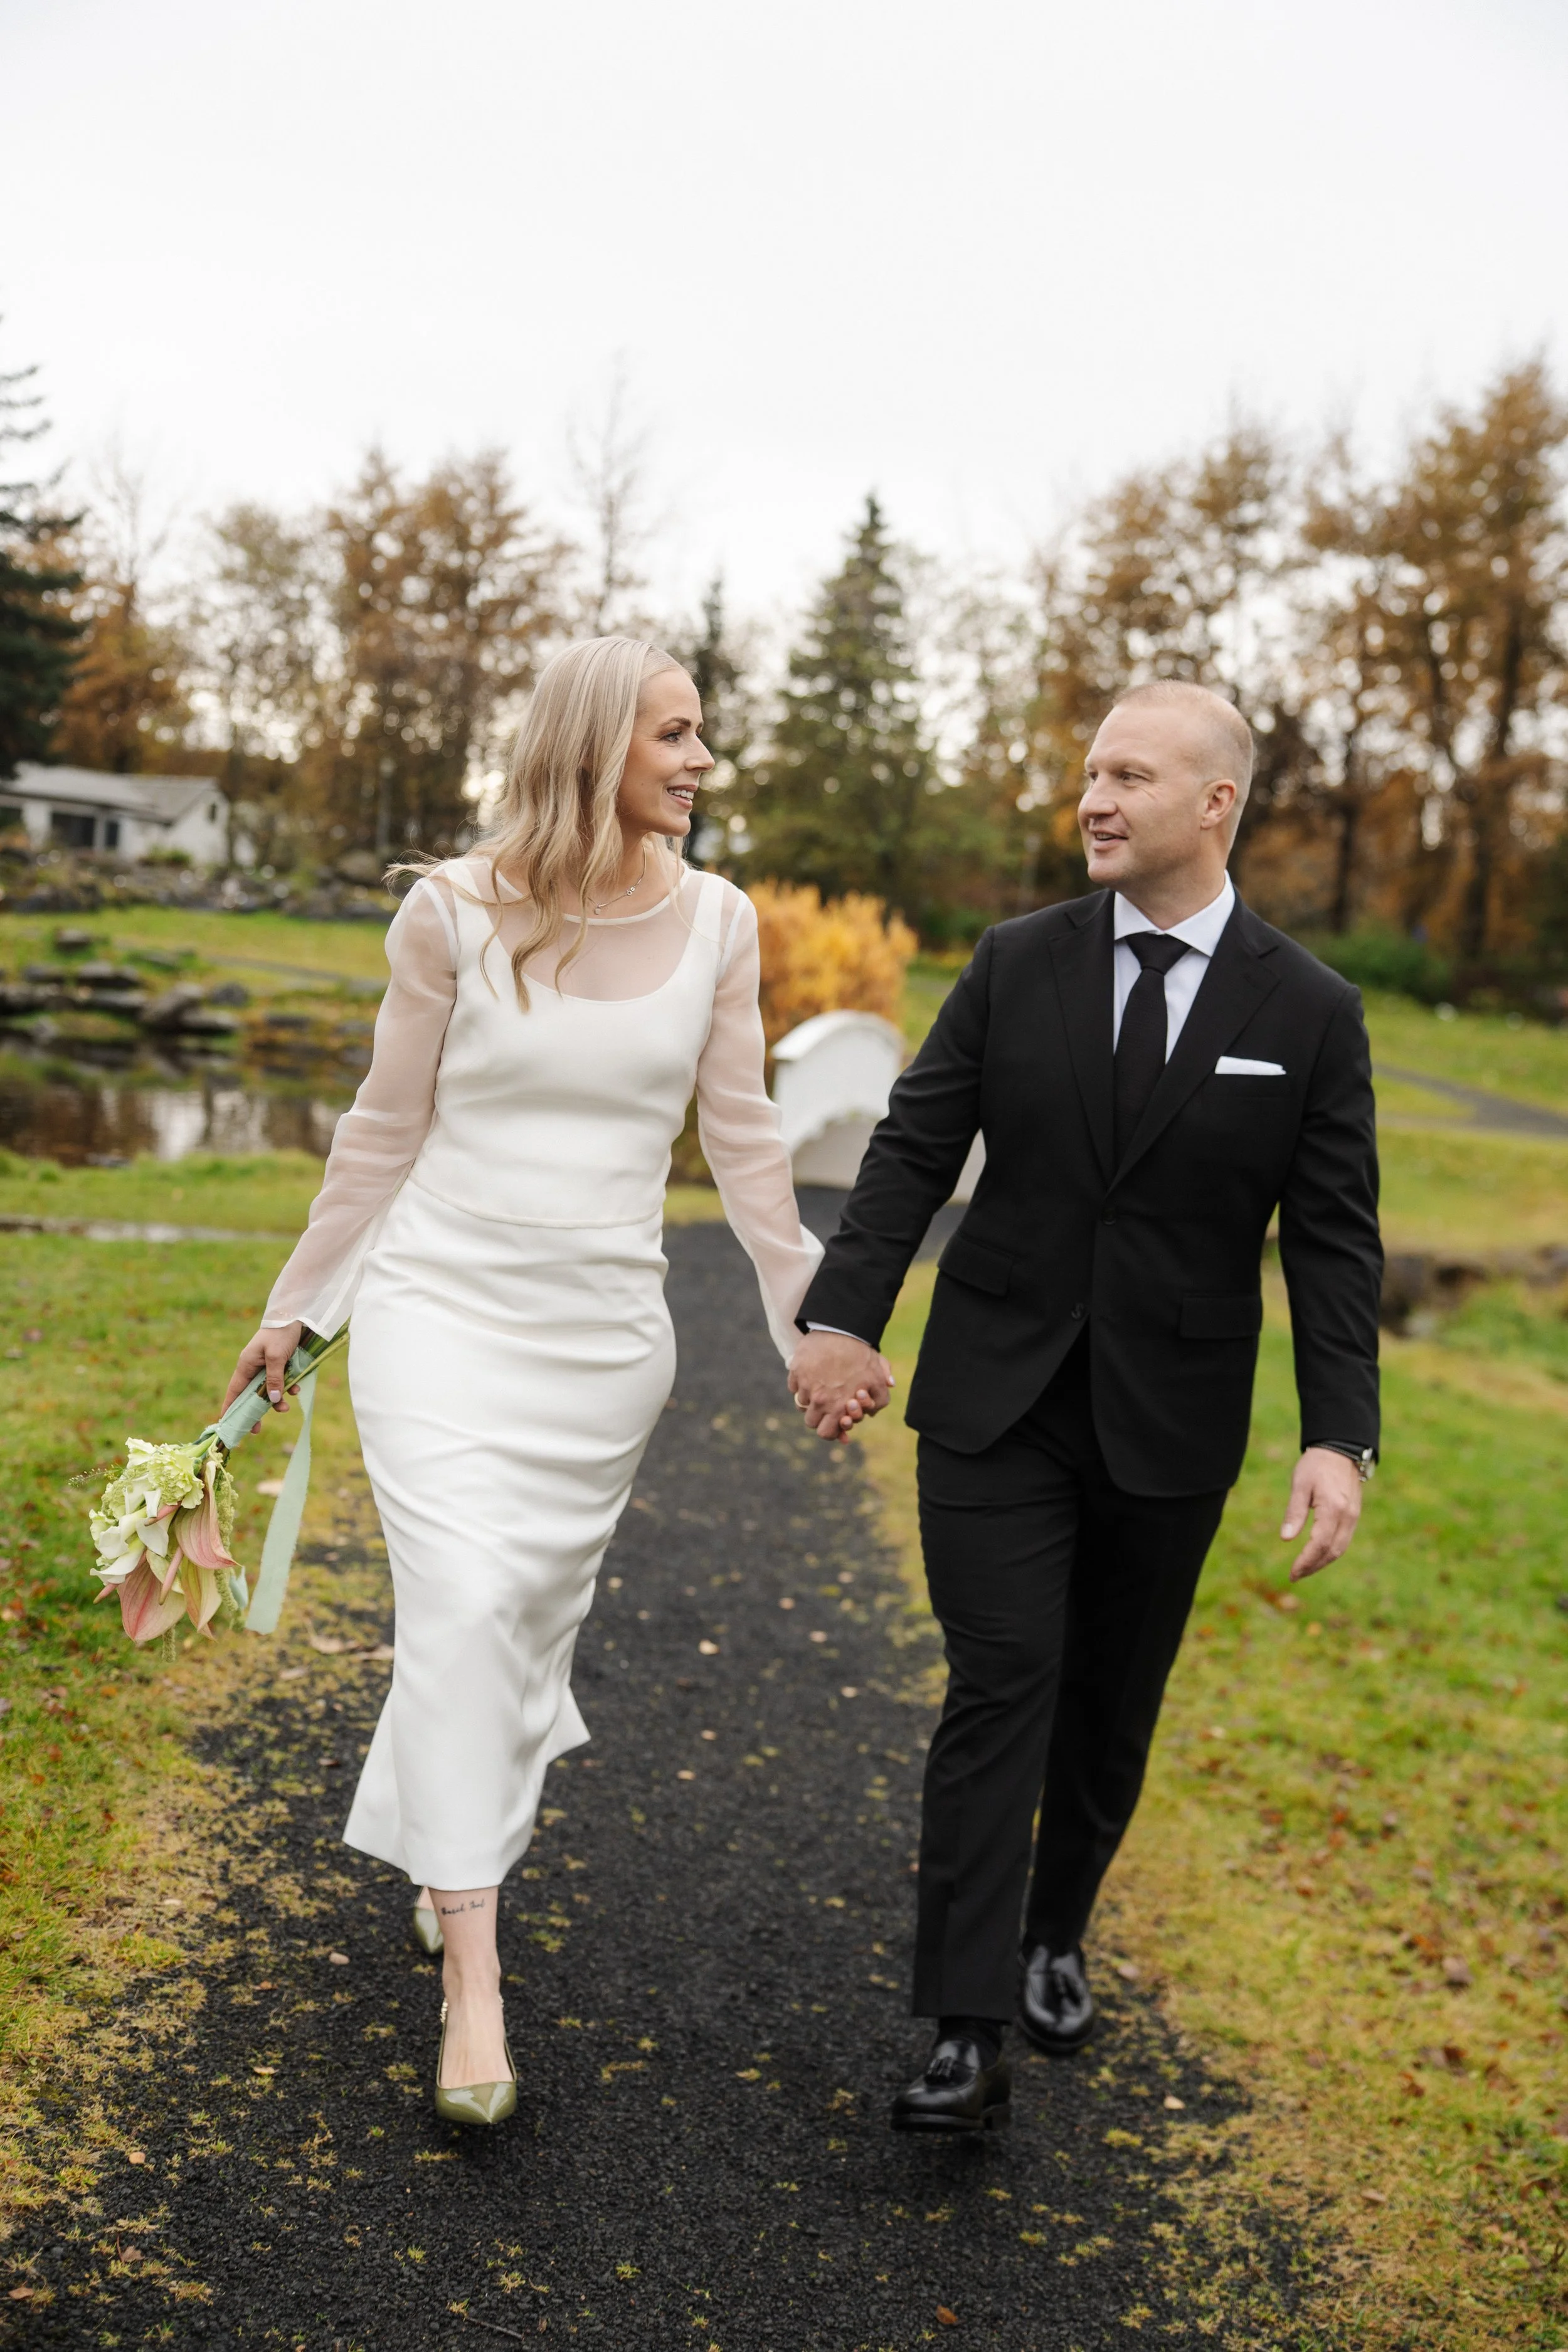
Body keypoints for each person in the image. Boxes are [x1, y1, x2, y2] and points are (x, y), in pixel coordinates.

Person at [223, 637, 854, 2126]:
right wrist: (297, 1312)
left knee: (516, 1623)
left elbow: (749, 1146)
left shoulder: (719, 921)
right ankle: (473, 1984)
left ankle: (441, 1833)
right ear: (593, 748)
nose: (702, 763)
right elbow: (380, 1132)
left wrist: (805, 1325)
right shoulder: (450, 913)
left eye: (702, 738)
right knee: (458, 1602)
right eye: (677, 736)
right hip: (440, 1306)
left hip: (602, 1342)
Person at [788, 680, 1382, 2134]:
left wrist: (1334, 1431)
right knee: (1003, 1687)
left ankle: (1057, 1929)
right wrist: (839, 1315)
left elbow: (1330, 1238)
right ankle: (964, 2024)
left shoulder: (1306, 1010)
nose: (1093, 801)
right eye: (1086, 776)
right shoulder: (1013, 962)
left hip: (1169, 1423)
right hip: (994, 1401)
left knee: (1109, 1709)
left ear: (1213, 805)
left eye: (1127, 776)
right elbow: (913, 1145)